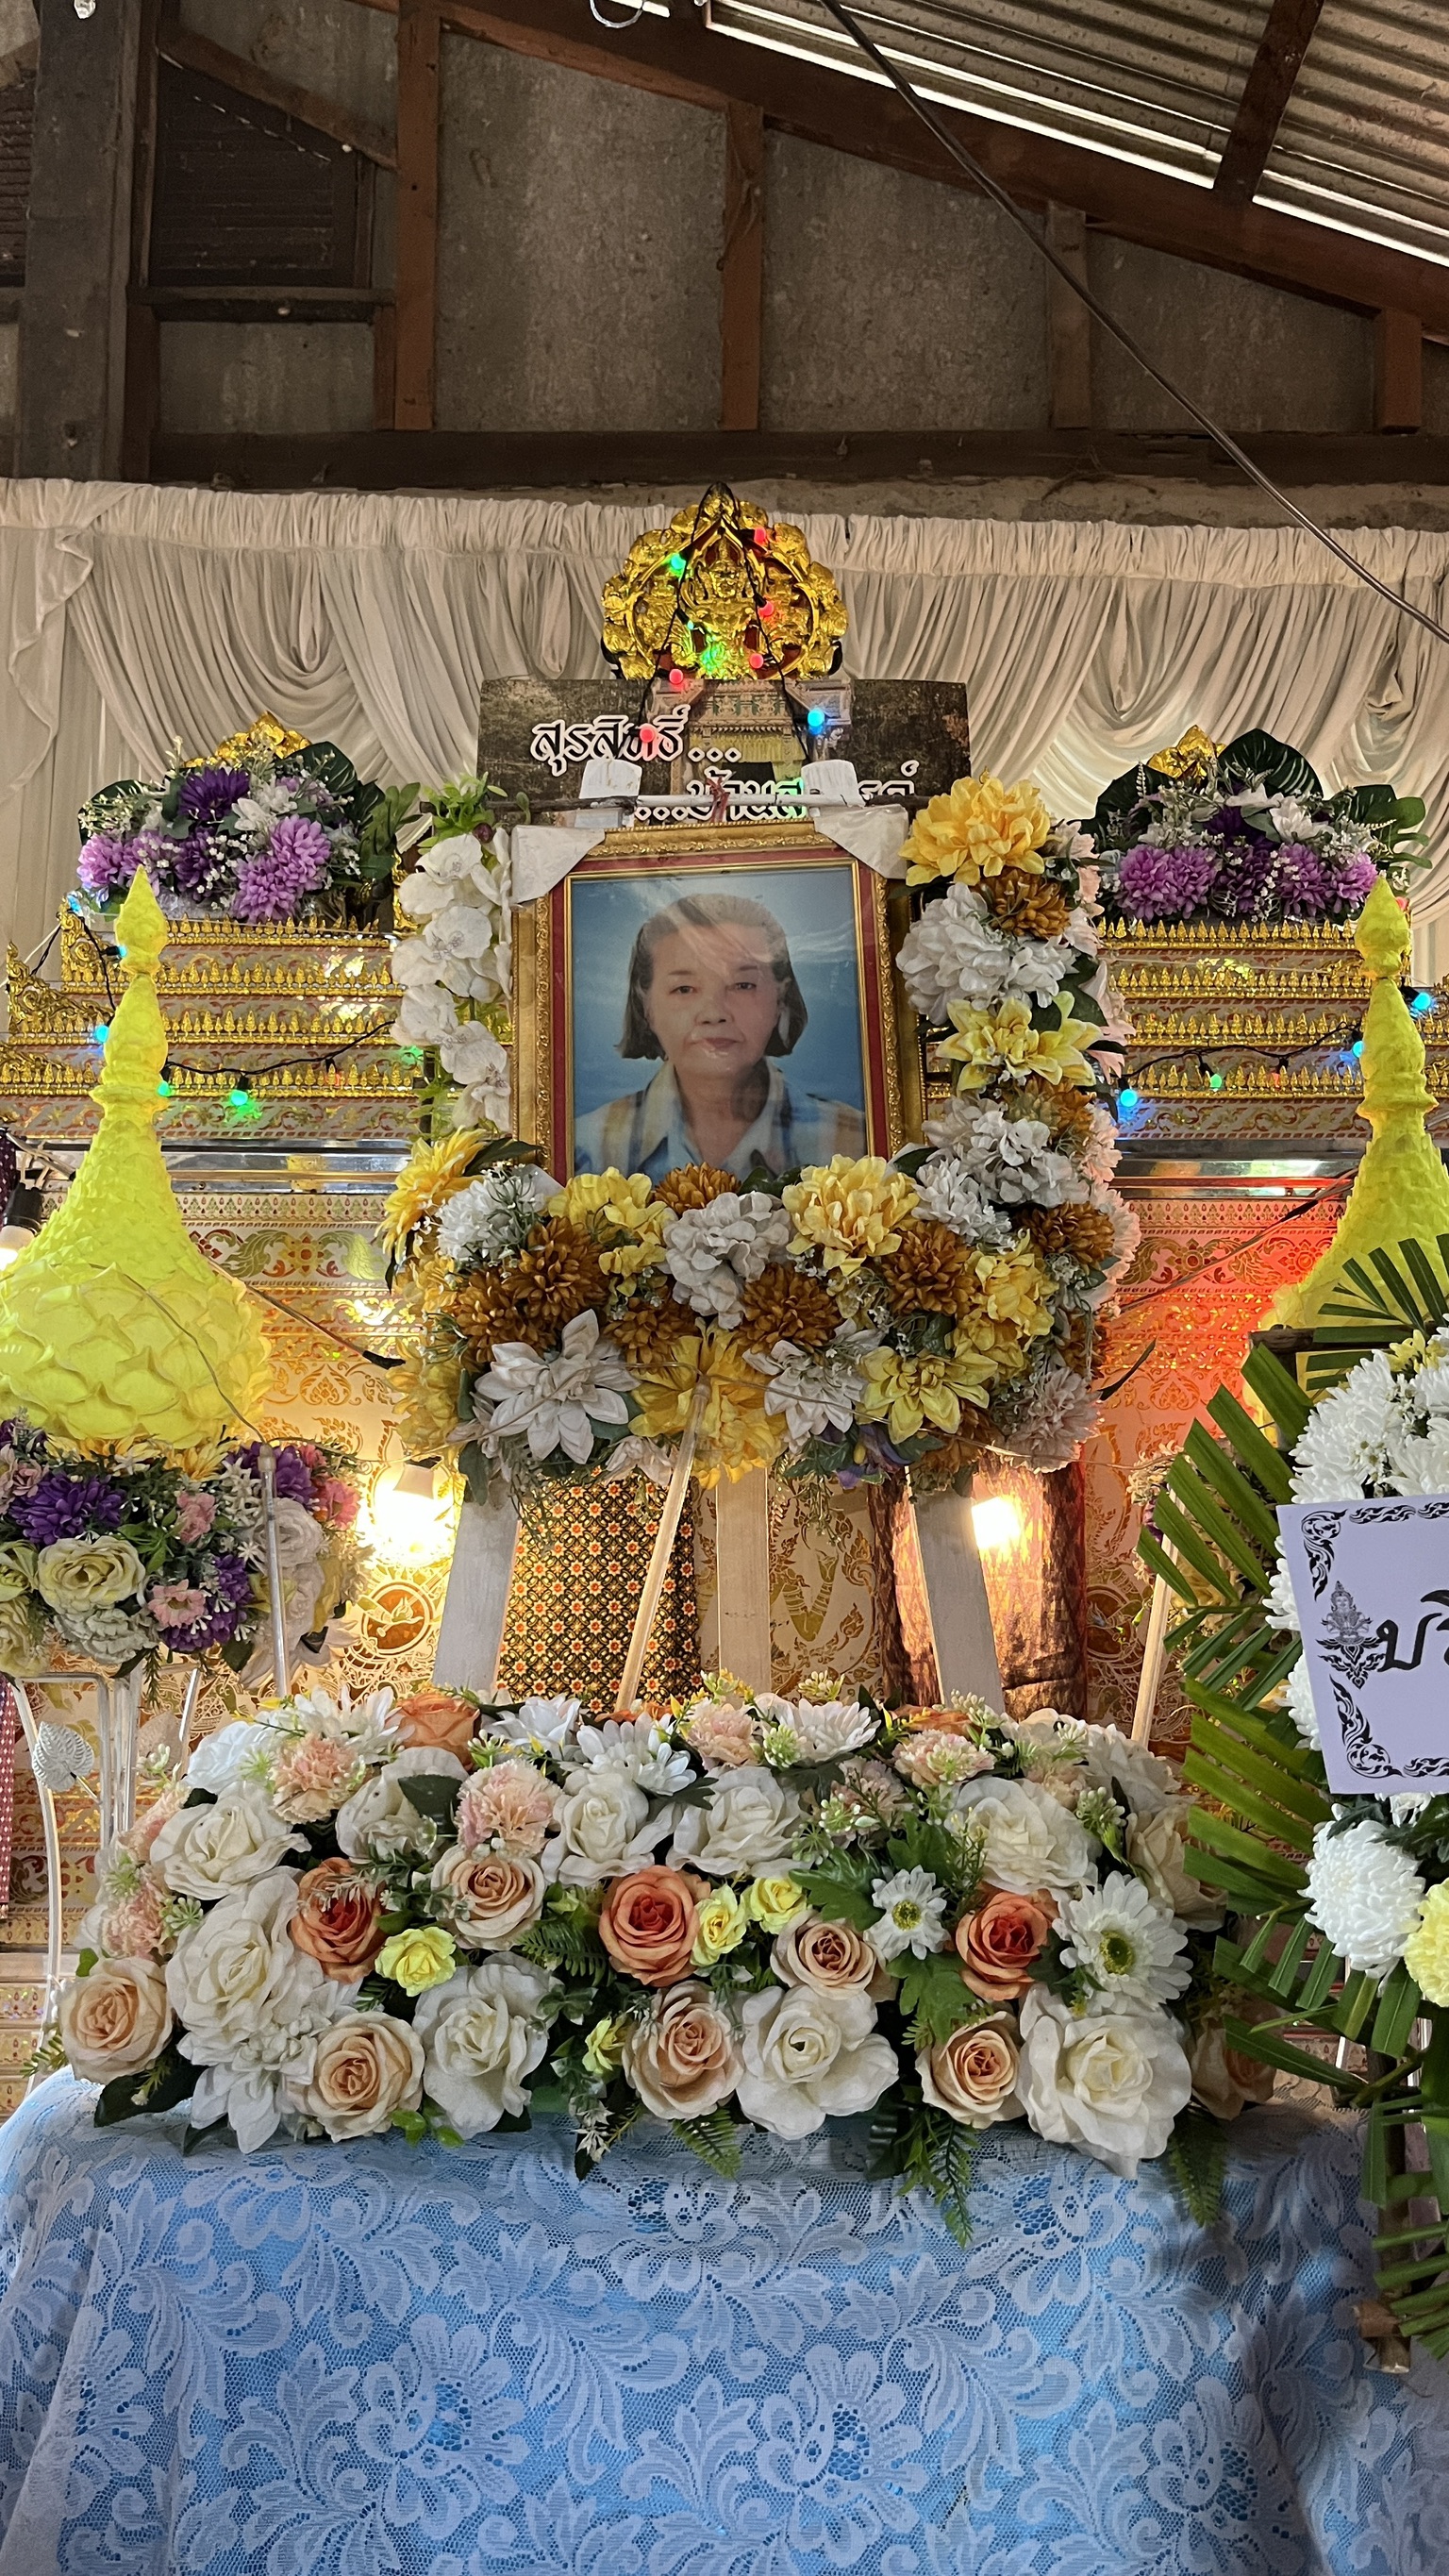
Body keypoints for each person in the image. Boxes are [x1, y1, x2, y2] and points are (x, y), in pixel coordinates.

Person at [573, 890, 866, 1181]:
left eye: (743, 985)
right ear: (646, 1005)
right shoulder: (583, 1149)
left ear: (780, 998)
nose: (714, 1013)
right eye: (684, 989)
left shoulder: (857, 1145)